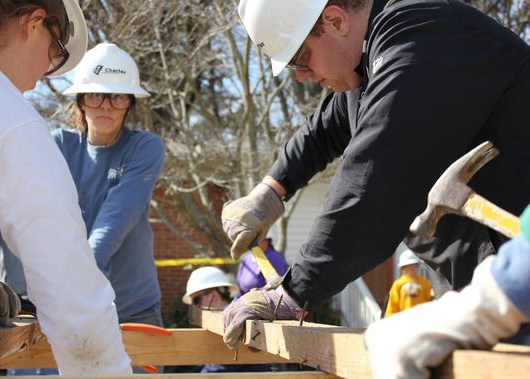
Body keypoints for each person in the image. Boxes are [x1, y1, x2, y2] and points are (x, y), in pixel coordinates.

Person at [221, 0, 530, 350]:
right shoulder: (371, 60)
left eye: (299, 58)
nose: (300, 75)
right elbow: (325, 128)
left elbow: (374, 186)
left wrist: (294, 292)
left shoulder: (422, 36)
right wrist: (271, 190)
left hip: (521, 275)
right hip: (488, 286)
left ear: (335, 21)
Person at [0, 1, 131, 375]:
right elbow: (75, 306)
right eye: (56, 52)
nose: (46, 73)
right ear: (33, 23)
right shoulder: (3, 115)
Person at [0, 42, 166, 327]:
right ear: (81, 100)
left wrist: (77, 286)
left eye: (118, 97)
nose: (107, 105)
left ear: (130, 103)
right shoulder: (57, 145)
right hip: (64, 305)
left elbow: (115, 218)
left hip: (131, 308)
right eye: (96, 95)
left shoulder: (144, 148)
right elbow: (24, 211)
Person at [365, 205, 530, 379]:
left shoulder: (422, 282)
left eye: (413, 266)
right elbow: (394, 306)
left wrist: (490, 305)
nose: (411, 269)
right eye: (408, 267)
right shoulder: (399, 285)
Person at [183, 266, 274, 373]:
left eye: (196, 300)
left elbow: (223, 365)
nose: (196, 306)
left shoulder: (236, 320)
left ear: (214, 295)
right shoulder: (218, 319)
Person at [234, 228, 289, 299]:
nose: (252, 243)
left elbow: (277, 288)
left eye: (255, 240)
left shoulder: (274, 258)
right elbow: (240, 290)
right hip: (245, 302)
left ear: (267, 240)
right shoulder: (246, 259)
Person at [384, 249, 432, 317]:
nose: (412, 268)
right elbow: (393, 303)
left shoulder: (425, 283)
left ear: (417, 265)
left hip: (421, 320)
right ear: (403, 268)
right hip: (403, 320)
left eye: (414, 265)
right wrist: (390, 319)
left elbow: (429, 303)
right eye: (408, 265)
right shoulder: (398, 284)